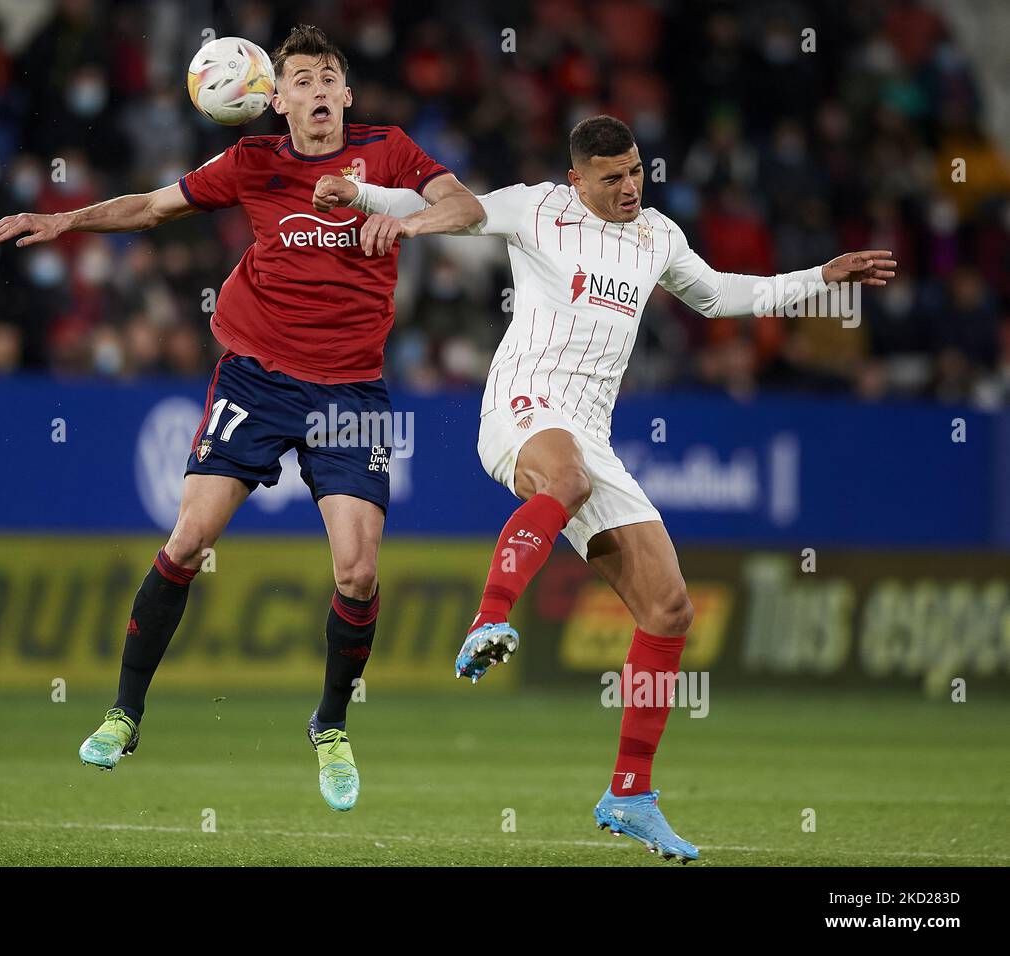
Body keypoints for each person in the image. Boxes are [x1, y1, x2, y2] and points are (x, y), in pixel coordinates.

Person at [312, 114, 896, 854]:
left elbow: (718, 297)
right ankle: (490, 615)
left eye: (636, 172)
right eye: (612, 177)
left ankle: (631, 793)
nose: (629, 187)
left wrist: (821, 278)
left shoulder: (659, 236)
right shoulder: (535, 208)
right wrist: (362, 197)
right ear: (576, 178)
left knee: (670, 606)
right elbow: (457, 210)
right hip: (523, 408)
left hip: (591, 435)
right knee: (567, 478)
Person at [0, 25, 483, 812]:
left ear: (346, 95)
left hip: (350, 392)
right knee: (187, 540)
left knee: (358, 573)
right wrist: (66, 220)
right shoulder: (253, 163)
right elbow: (152, 207)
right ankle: (124, 713)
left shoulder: (387, 152)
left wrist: (411, 222)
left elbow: (465, 205)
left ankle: (329, 725)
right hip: (257, 377)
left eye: (330, 78)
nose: (319, 91)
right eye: (303, 81)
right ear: (274, 98)